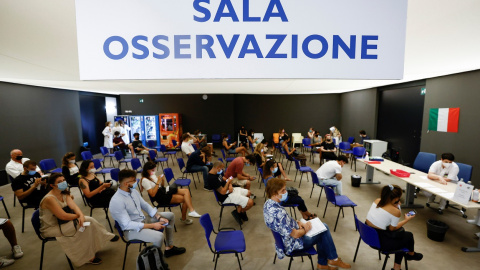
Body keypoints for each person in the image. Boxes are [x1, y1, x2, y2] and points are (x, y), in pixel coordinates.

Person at [264, 178, 351, 270]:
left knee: (322, 228)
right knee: (323, 229)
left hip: (284, 240)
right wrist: (306, 228)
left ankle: (325, 263)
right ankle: (332, 259)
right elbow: (296, 234)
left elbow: (283, 223)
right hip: (293, 244)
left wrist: (298, 222)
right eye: (283, 190)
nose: (286, 192)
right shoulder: (278, 212)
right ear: (274, 193)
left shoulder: (268, 204)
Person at [40, 173, 117, 266]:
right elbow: (63, 216)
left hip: (66, 222)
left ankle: (101, 240)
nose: (63, 182)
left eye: (64, 180)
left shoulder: (64, 193)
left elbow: (75, 207)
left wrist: (81, 216)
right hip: (52, 228)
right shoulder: (49, 199)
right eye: (59, 182)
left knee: (89, 221)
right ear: (52, 185)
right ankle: (87, 256)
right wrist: (78, 216)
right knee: (81, 227)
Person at [109, 169, 186, 257]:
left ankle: (169, 248)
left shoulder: (133, 191)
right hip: (131, 230)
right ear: (126, 184)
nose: (136, 182)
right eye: (133, 180)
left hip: (142, 220)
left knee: (170, 216)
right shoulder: (117, 201)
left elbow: (145, 205)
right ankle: (155, 261)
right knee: (159, 236)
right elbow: (127, 225)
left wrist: (158, 217)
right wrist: (153, 225)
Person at [366, 185, 423, 270]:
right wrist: (406, 219)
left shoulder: (377, 201)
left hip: (367, 235)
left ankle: (403, 262)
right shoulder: (395, 211)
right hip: (380, 242)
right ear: (396, 198)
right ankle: (410, 255)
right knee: (407, 236)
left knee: (401, 235)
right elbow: (392, 228)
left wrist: (395, 204)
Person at [207, 161, 254, 226]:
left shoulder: (216, 172)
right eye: (221, 169)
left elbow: (224, 178)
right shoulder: (211, 178)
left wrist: (229, 185)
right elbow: (223, 192)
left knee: (248, 193)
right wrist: (228, 183)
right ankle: (239, 212)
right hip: (225, 197)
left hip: (229, 191)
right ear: (217, 168)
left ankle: (239, 211)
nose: (222, 170)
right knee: (250, 202)